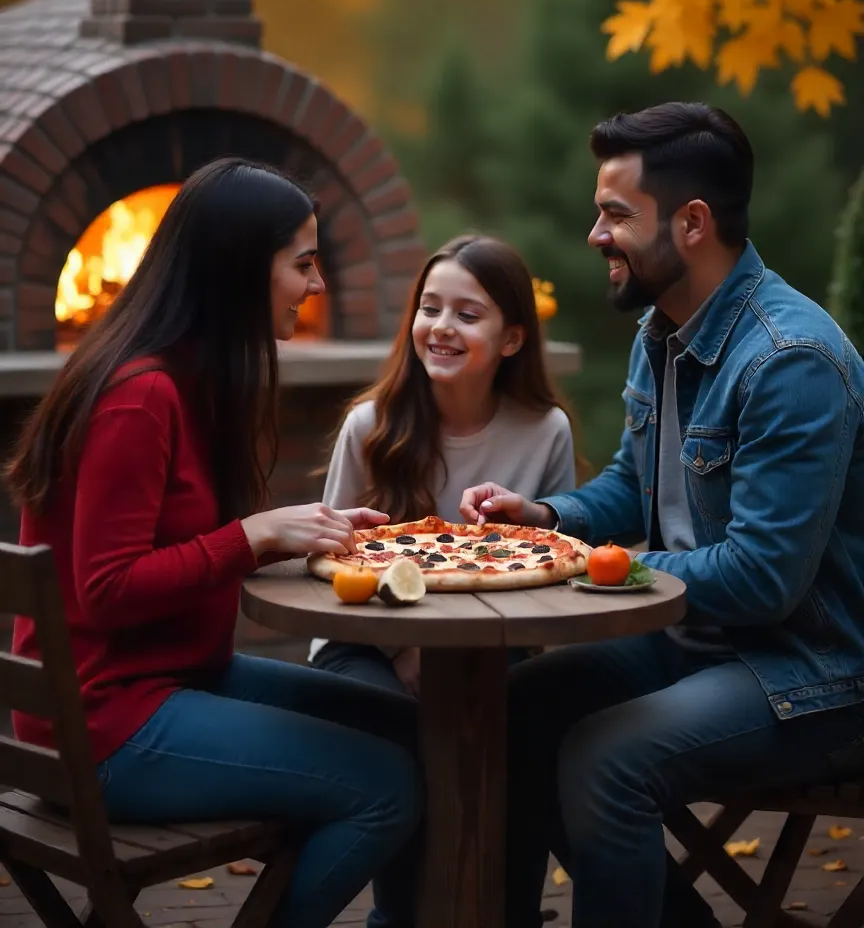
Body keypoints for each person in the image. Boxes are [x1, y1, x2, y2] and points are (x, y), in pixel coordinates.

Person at [460, 102, 864, 928]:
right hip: (698, 647)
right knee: (512, 712)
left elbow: (761, 580)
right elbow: (631, 492)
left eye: (614, 214)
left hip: (814, 671)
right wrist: (540, 517)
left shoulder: (792, 362)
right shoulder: (664, 330)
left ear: (691, 223)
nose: (594, 234)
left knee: (605, 760)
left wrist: (588, 572)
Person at [6, 158, 421, 928]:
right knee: (385, 786)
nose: (317, 284)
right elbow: (107, 588)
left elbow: (177, 547)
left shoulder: (184, 378)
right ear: (238, 269)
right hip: (106, 723)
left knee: (411, 728)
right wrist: (251, 535)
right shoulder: (141, 393)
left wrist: (295, 539)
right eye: (302, 264)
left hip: (165, 681)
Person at [309, 233, 582, 696]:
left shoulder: (547, 430)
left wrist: (455, 648)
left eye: (467, 315)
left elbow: (554, 576)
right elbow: (329, 562)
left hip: (494, 640)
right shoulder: (369, 425)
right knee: (391, 725)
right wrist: (404, 649)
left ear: (513, 338)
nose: (441, 327)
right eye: (430, 308)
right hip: (365, 640)